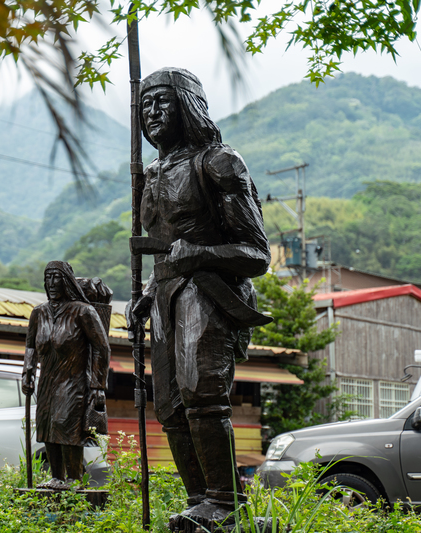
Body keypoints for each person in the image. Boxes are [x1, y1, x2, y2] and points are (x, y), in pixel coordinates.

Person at [128, 67, 271, 529]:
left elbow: (256, 253)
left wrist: (200, 253)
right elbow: (161, 248)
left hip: (209, 292)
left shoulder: (218, 163)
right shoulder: (149, 174)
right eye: (145, 105)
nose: (152, 113)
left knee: (201, 394)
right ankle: (198, 502)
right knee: (169, 406)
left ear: (188, 107)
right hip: (167, 295)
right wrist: (148, 293)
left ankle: (226, 503)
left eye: (162, 102)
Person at [21, 261, 111, 489]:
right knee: (47, 424)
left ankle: (74, 478)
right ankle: (56, 476)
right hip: (47, 380)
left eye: (57, 278)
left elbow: (102, 348)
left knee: (65, 425)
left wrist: (98, 386)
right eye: (48, 278)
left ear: (67, 281)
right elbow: (30, 346)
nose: (51, 283)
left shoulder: (83, 311)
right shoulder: (38, 313)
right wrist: (28, 371)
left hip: (74, 381)